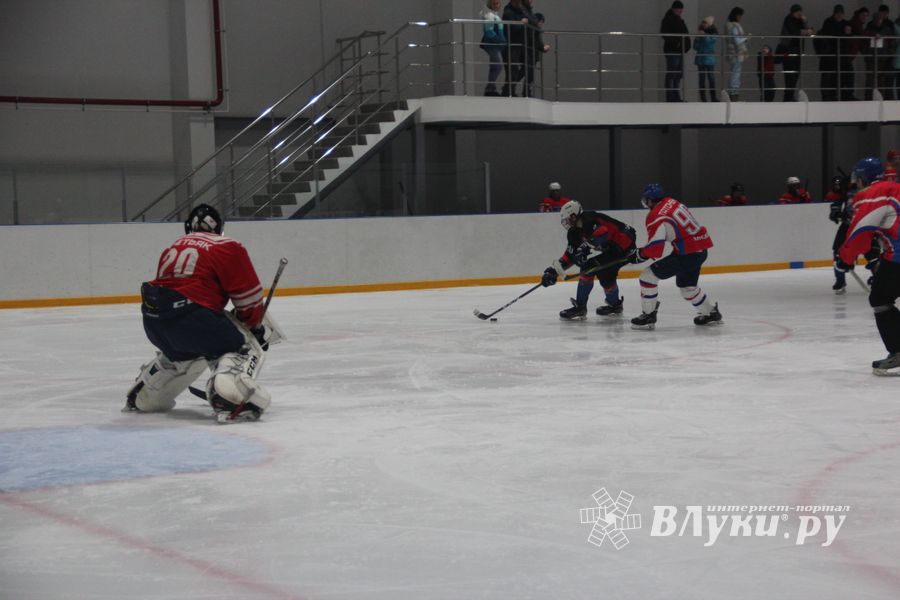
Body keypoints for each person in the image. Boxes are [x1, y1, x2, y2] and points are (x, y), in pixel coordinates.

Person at [124, 204, 273, 423]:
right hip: (194, 319)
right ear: (218, 227)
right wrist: (254, 328)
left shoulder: (175, 246)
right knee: (244, 345)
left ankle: (145, 394)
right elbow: (248, 297)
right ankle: (230, 397)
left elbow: (175, 288)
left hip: (155, 323)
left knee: (184, 353)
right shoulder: (227, 245)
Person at [836, 157, 900, 374]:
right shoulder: (895, 188)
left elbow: (861, 231)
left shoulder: (872, 195)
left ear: (863, 177)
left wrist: (845, 257)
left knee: (880, 299)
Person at [626, 184, 721, 330]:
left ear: (650, 200)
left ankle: (648, 315)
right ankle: (711, 313)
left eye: (646, 200)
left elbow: (655, 249)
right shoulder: (672, 201)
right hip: (700, 250)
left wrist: (640, 254)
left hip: (687, 254)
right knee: (688, 287)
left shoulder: (655, 215)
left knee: (647, 277)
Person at [540, 200, 637, 320]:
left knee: (590, 268)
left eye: (567, 218)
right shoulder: (574, 232)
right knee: (605, 274)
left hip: (626, 246)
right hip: (612, 250)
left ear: (574, 215)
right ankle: (615, 305)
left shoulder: (590, 219)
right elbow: (570, 255)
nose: (566, 222)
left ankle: (581, 307)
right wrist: (553, 271)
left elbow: (603, 232)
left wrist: (586, 246)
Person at [780, 4, 815, 102]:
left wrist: (805, 22)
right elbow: (795, 31)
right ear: (793, 12)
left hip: (797, 51)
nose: (800, 13)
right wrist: (806, 31)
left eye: (800, 11)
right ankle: (788, 97)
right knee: (790, 75)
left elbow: (808, 31)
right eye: (797, 11)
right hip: (789, 51)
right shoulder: (789, 19)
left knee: (795, 74)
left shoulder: (800, 21)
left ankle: (789, 96)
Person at [826, 175, 853, 293]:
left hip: (862, 225)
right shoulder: (845, 195)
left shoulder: (861, 193)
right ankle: (840, 280)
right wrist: (836, 213)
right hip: (846, 226)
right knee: (837, 251)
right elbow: (835, 206)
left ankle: (878, 278)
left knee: (872, 253)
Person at [864, 5, 896, 100]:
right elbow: (864, 40)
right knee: (870, 79)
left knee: (881, 79)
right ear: (874, 19)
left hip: (883, 58)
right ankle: (868, 98)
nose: (879, 21)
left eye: (880, 19)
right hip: (871, 57)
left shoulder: (886, 29)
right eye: (877, 19)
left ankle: (881, 98)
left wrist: (889, 53)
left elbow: (892, 42)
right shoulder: (869, 28)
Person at [817, 5, 849, 101]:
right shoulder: (828, 22)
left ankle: (835, 95)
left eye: (841, 13)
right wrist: (844, 33)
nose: (839, 15)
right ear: (834, 14)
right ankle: (826, 96)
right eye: (838, 13)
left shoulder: (845, 23)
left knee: (838, 77)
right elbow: (831, 36)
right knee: (827, 78)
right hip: (829, 56)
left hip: (839, 57)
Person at [661, 1, 690, 102]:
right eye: (679, 9)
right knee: (672, 73)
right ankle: (671, 96)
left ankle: (675, 96)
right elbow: (664, 33)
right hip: (672, 50)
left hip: (679, 50)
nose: (681, 11)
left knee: (678, 73)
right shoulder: (668, 19)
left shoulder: (678, 20)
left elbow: (685, 34)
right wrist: (676, 43)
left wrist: (686, 46)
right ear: (675, 9)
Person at [501, 0, 529, 97]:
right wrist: (521, 23)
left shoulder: (520, 10)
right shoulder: (508, 11)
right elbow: (512, 27)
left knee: (524, 67)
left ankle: (508, 89)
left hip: (518, 45)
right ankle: (508, 91)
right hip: (511, 46)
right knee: (512, 70)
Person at [522, 3, 550, 98]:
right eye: (541, 21)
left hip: (531, 54)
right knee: (528, 74)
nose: (542, 23)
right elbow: (536, 42)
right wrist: (543, 48)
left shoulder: (534, 30)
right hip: (531, 54)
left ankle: (524, 91)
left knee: (526, 73)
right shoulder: (535, 30)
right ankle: (525, 92)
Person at [480, 0, 506, 96]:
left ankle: (491, 88)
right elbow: (489, 32)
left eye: (497, 3)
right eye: (494, 3)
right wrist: (501, 40)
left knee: (494, 67)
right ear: (490, 4)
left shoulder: (492, 15)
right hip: (492, 44)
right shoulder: (489, 16)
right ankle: (490, 88)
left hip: (494, 44)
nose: (496, 5)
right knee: (498, 66)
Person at [844, 7, 870, 100]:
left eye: (867, 16)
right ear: (859, 15)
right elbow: (861, 34)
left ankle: (846, 95)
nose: (865, 17)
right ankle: (847, 95)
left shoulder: (856, 23)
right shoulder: (855, 23)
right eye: (863, 15)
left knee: (847, 74)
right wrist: (874, 35)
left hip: (849, 53)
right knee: (849, 74)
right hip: (847, 53)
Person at [725, 7, 749, 101]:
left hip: (733, 53)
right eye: (739, 15)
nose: (740, 17)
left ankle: (733, 93)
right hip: (736, 53)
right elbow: (737, 40)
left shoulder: (729, 25)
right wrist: (746, 37)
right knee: (735, 74)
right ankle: (734, 94)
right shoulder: (734, 26)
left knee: (734, 73)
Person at [693, 17, 718, 102]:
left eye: (705, 23)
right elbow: (695, 47)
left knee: (711, 79)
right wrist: (697, 38)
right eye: (703, 22)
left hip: (709, 59)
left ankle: (713, 97)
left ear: (709, 24)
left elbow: (710, 44)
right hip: (701, 59)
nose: (703, 24)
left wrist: (704, 36)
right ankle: (703, 99)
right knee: (702, 80)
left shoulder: (713, 33)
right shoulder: (700, 33)